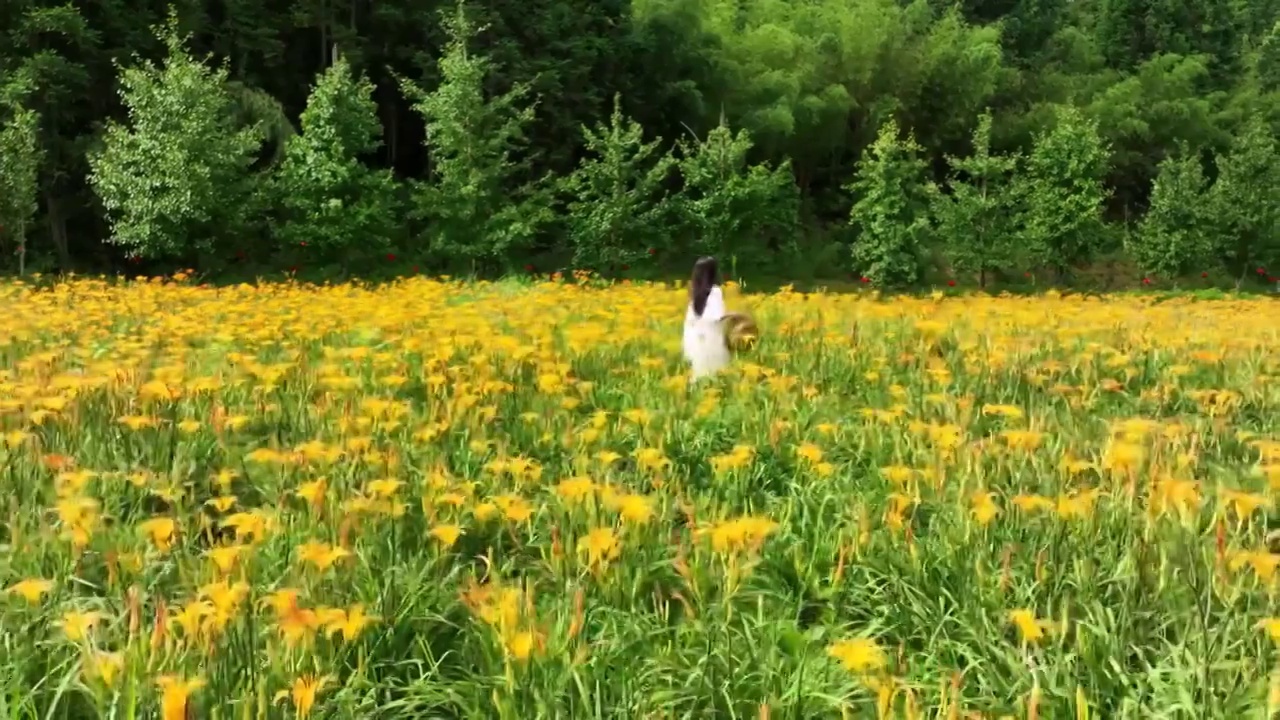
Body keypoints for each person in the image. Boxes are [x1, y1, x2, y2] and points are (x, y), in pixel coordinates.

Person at [682, 256, 731, 381]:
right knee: (714, 374)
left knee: (698, 373)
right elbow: (716, 316)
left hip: (695, 338)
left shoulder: (693, 291)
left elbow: (691, 319)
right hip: (711, 338)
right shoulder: (715, 291)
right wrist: (733, 316)